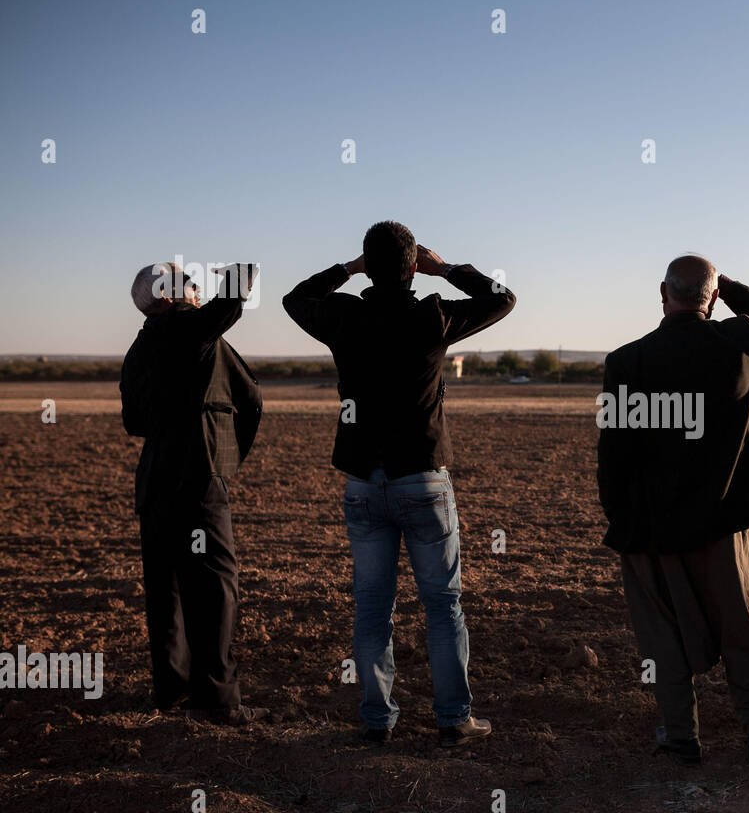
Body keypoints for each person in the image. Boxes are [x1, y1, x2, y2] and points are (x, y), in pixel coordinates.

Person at [283, 221, 515, 747]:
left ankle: (376, 721)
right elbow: (502, 298)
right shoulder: (433, 313)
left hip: (365, 484)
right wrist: (448, 268)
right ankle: (454, 720)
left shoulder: (342, 314)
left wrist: (345, 269)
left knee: (371, 608)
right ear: (414, 267)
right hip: (424, 482)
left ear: (367, 263)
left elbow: (295, 298)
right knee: (443, 605)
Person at [598, 255, 749, 767]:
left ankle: (681, 737)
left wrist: (620, 515)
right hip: (720, 525)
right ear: (710, 297)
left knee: (662, 636)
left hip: (647, 527)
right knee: (739, 629)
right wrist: (727, 289)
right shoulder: (739, 345)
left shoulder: (626, 362)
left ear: (663, 292)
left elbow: (612, 452)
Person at [120, 261, 265, 724]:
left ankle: (171, 691)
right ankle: (218, 700)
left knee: (167, 593)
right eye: (183, 281)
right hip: (199, 482)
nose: (194, 286)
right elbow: (252, 399)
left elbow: (133, 422)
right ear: (165, 298)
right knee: (216, 588)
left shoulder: (139, 347)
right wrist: (240, 273)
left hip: (154, 482)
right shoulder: (189, 330)